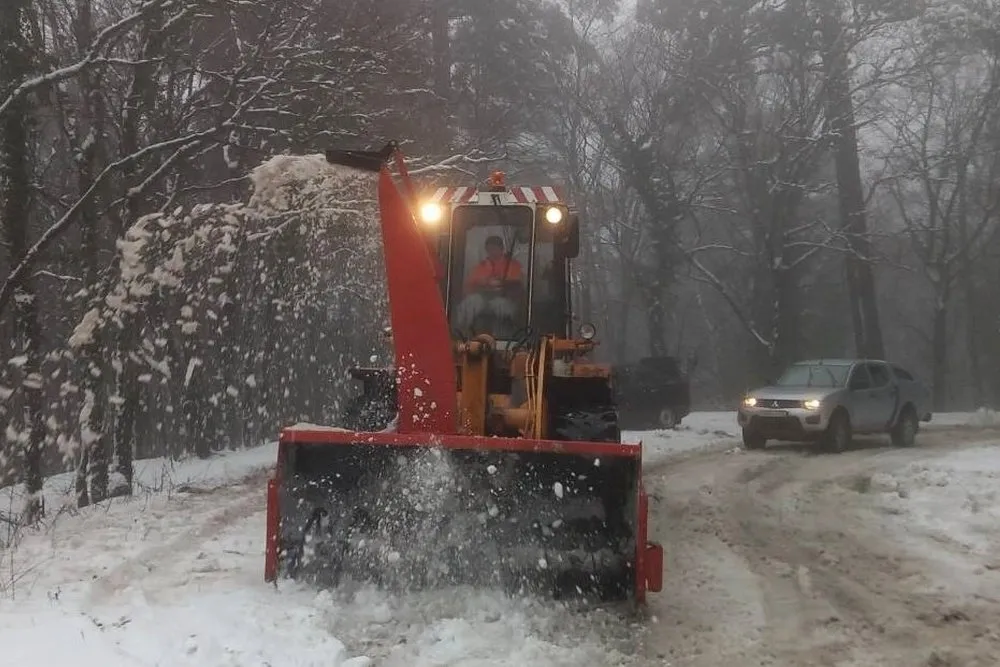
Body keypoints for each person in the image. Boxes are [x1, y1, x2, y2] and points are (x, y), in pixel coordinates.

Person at [456, 235, 524, 331]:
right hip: (482, 298)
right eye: (489, 249)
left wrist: (503, 285)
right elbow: (468, 287)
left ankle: (503, 338)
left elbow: (518, 288)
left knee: (501, 306)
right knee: (470, 303)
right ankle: (461, 334)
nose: (492, 252)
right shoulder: (481, 266)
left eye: (495, 248)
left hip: (504, 299)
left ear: (502, 249)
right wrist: (483, 286)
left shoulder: (513, 265)